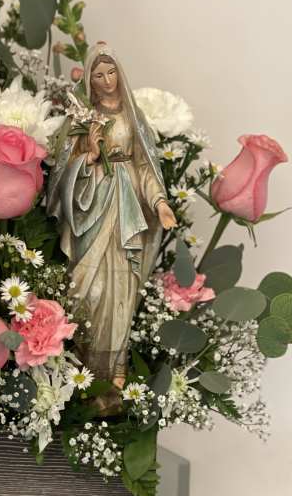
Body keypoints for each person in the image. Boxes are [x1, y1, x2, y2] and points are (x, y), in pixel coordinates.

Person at [47, 42, 177, 413]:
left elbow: (145, 167)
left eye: (111, 72)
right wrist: (90, 155)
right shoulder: (81, 118)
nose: (106, 81)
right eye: (98, 75)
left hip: (128, 214)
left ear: (120, 73)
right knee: (89, 291)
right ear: (89, 80)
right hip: (91, 212)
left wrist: (160, 203)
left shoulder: (134, 118)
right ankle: (82, 374)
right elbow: (62, 177)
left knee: (121, 291)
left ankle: (115, 376)